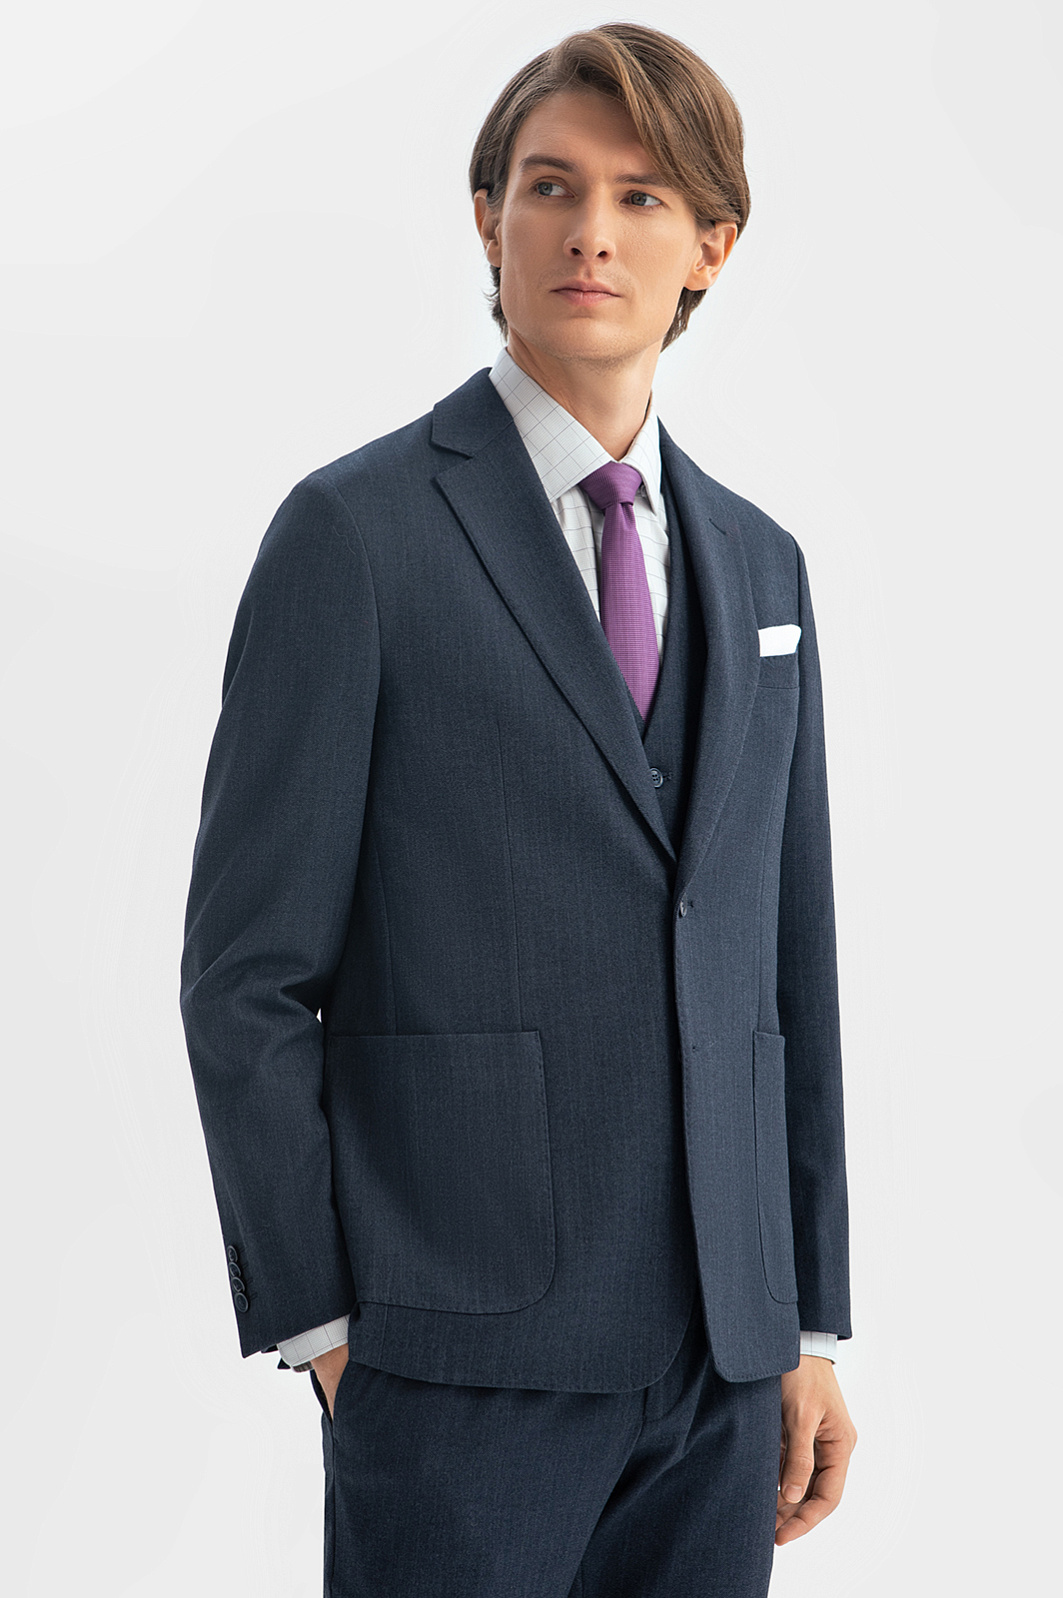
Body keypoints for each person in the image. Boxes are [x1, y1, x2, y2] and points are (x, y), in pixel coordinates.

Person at [180, 21, 856, 1598]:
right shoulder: (355, 536)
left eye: (640, 196)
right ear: (489, 219)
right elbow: (247, 975)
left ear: (711, 245)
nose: (590, 233)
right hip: (453, 1360)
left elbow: (786, 967)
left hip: (721, 1365)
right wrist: (326, 1327)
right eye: (550, 187)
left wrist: (804, 1317)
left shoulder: (761, 565)